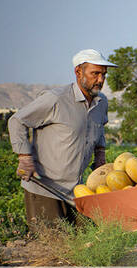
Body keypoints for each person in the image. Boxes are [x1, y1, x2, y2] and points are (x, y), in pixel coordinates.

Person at [8, 49, 117, 230]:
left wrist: (100, 153)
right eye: (95, 74)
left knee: (87, 243)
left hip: (79, 191)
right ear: (78, 72)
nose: (100, 80)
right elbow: (17, 121)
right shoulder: (56, 99)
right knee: (54, 249)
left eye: (103, 75)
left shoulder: (101, 102)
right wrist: (24, 157)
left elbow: (100, 129)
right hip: (46, 189)